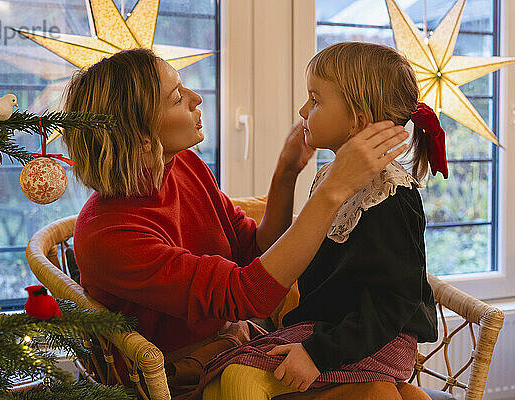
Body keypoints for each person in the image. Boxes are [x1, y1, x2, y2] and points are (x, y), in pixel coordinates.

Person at [61, 47, 408, 398]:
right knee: (376, 392)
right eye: (177, 97)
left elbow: (253, 250)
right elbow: (250, 295)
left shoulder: (184, 166)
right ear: (143, 141)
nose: (197, 98)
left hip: (235, 344)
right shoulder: (109, 235)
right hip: (173, 379)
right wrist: (332, 191)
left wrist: (287, 172)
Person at [200, 42, 441, 400]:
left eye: (315, 100)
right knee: (219, 384)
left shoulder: (390, 194)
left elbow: (393, 303)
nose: (303, 110)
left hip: (373, 340)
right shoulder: (331, 178)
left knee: (239, 380)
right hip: (330, 329)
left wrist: (317, 353)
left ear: (358, 117)